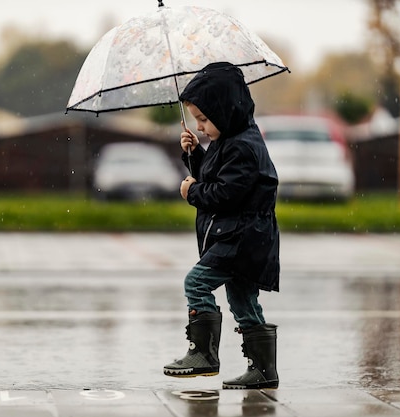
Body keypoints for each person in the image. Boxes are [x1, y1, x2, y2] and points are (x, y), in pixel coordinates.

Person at [162, 62, 281, 389]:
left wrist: (192, 191)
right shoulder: (232, 138)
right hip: (243, 237)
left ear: (224, 110)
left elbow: (226, 193)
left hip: (239, 239)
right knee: (243, 300)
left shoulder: (242, 146)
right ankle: (263, 370)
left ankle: (204, 354)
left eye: (203, 119)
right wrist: (195, 154)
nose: (200, 127)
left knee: (196, 284)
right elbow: (220, 174)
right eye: (196, 120)